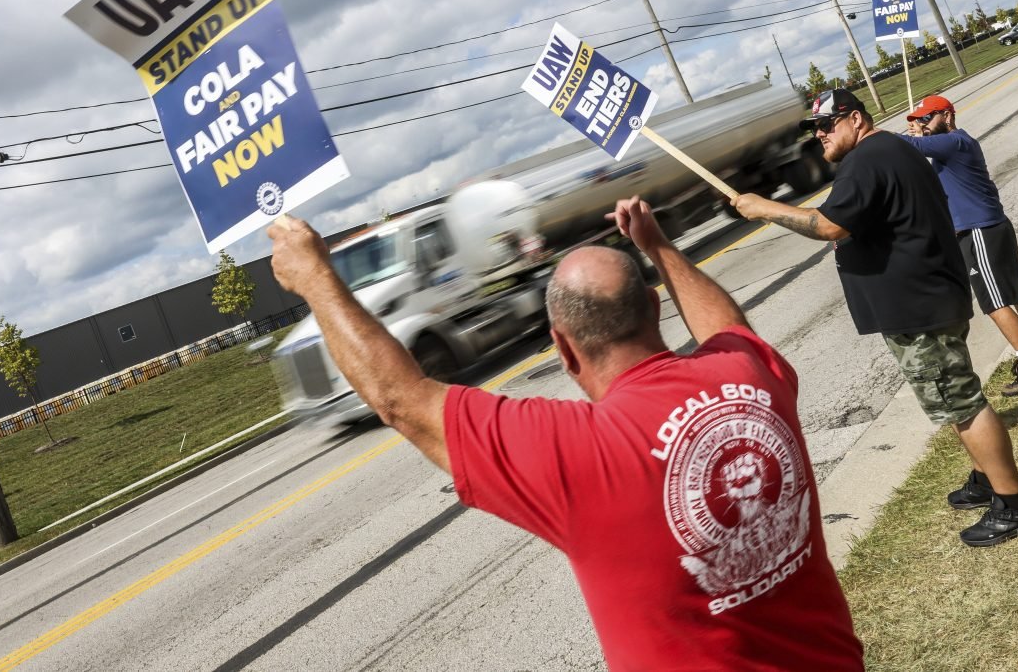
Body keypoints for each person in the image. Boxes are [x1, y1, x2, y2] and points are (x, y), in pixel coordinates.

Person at [268, 199, 863, 672]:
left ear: (562, 348)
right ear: (654, 312)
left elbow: (402, 400)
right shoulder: (747, 375)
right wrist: (657, 245)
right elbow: (729, 327)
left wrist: (316, 277)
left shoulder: (577, 451)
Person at [730, 88, 1018, 547]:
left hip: (918, 306)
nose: (819, 135)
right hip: (928, 296)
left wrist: (763, 208)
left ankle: (1017, 505)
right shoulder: (892, 148)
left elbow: (828, 226)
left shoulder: (868, 158)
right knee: (956, 392)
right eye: (815, 128)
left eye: (828, 124)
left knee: (961, 402)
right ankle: (985, 479)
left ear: (856, 119)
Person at [901, 94, 1018, 397]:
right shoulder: (949, 147)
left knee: (993, 300)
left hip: (978, 232)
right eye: (917, 120)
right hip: (991, 226)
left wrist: (905, 137)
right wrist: (919, 135)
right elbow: (918, 155)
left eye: (925, 118)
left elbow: (911, 146)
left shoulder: (953, 142)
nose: (921, 125)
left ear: (947, 115)